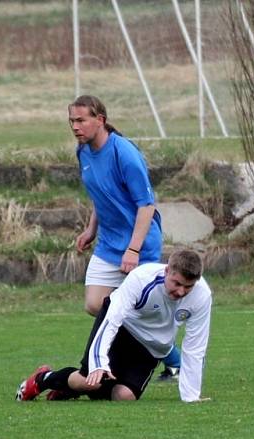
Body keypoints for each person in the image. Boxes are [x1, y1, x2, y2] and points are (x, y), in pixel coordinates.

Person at [68, 94, 181, 379]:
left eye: (81, 120)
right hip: (108, 243)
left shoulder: (124, 153)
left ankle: (173, 359)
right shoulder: (83, 153)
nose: (75, 127)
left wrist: (133, 250)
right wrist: (91, 230)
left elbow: (146, 205)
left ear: (100, 120)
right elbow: (100, 194)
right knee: (95, 305)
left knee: (138, 306)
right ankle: (163, 353)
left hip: (139, 244)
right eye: (71, 121)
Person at [15, 249, 211, 403]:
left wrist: (191, 395)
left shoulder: (201, 296)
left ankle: (67, 389)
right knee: (89, 382)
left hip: (152, 347)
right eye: (176, 283)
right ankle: (43, 379)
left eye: (188, 286)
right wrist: (99, 362)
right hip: (121, 328)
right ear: (167, 270)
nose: (181, 292)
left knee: (123, 396)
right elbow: (113, 319)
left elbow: (195, 345)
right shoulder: (142, 278)